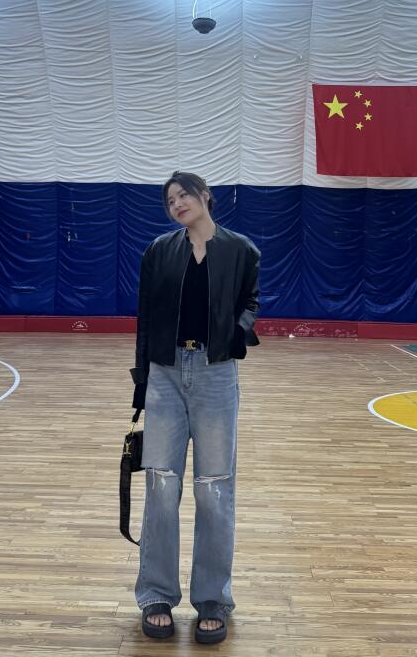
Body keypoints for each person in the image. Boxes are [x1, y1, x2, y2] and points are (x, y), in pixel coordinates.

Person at [130, 170, 260, 645]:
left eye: (184, 195)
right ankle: (156, 595)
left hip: (215, 375)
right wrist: (142, 385)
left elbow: (250, 302)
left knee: (214, 489)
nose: (177, 204)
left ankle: (212, 599)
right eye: (170, 200)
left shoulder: (241, 250)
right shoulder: (158, 251)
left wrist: (237, 333)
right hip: (165, 374)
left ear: (205, 196)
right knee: (161, 486)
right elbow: (145, 319)